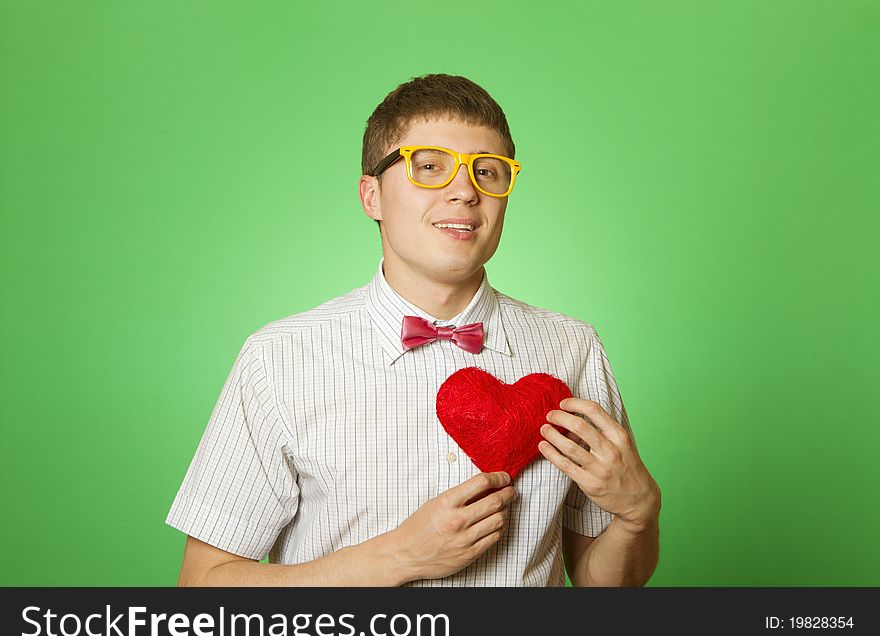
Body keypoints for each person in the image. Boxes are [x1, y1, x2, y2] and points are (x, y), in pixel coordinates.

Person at [166, 73, 661, 587]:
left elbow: (603, 583)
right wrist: (395, 559)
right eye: (430, 167)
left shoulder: (572, 350)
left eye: (488, 172)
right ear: (372, 196)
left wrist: (639, 514)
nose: (465, 191)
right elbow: (203, 584)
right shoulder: (278, 359)